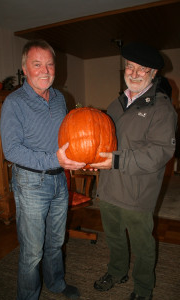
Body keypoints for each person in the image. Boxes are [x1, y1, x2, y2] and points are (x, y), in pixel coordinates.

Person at [90, 42, 177, 300]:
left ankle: (143, 288)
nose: (135, 73)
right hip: (108, 190)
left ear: (153, 74)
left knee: (143, 245)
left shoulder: (161, 109)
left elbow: (159, 153)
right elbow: (104, 141)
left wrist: (115, 160)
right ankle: (117, 272)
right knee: (114, 237)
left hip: (138, 194)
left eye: (142, 69)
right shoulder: (116, 104)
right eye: (130, 66)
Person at [0, 39, 85, 300]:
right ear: (25, 68)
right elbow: (11, 151)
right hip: (30, 183)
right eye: (37, 64)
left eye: (49, 64)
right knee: (32, 251)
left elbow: (67, 137)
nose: (45, 70)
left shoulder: (61, 98)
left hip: (60, 181)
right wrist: (55, 160)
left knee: (55, 243)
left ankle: (56, 283)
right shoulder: (14, 103)